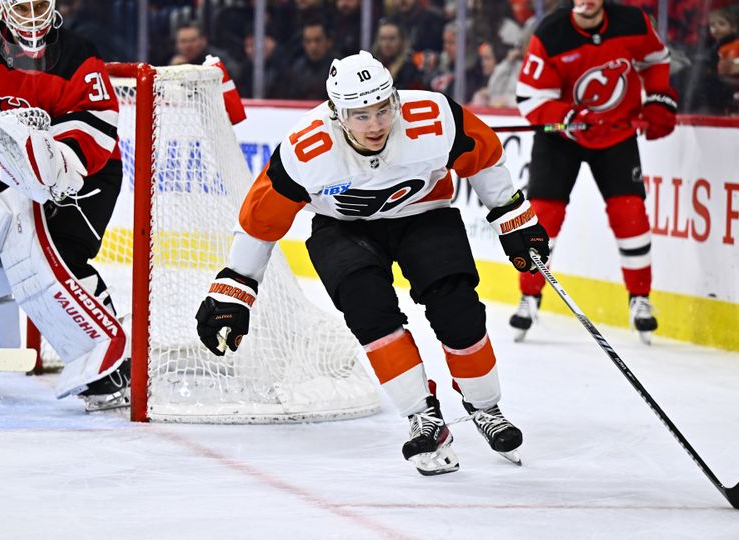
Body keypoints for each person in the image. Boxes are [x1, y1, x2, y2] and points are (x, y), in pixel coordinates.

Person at [195, 50, 550, 475]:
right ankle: (423, 416)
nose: (376, 124)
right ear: (336, 113)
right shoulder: (305, 151)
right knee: (368, 310)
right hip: (343, 229)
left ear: (395, 100)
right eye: (361, 115)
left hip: (424, 216)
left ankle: (485, 407)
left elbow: (486, 156)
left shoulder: (433, 116)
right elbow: (260, 222)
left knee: (457, 309)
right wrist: (233, 291)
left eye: (383, 109)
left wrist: (515, 221)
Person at [513, 0, 678, 343]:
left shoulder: (632, 22)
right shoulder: (551, 33)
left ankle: (640, 300)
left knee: (630, 213)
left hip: (615, 134)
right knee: (543, 216)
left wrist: (659, 97)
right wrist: (568, 118)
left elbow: (656, 60)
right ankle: (529, 296)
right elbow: (530, 98)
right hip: (561, 138)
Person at [0, 0, 130, 409]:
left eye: (39, 5)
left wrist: (56, 167)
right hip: (5, 178)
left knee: (57, 257)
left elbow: (98, 123)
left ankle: (110, 369)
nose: (32, 16)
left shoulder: (75, 53)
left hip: (83, 175)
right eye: (23, 7)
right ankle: (0, 351)